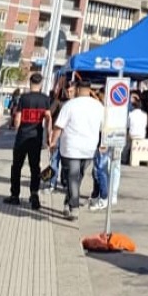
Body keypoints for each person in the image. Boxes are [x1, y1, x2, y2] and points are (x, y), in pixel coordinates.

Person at [49, 81, 105, 221]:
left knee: (73, 177)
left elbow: (59, 126)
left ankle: (73, 206)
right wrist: (103, 143)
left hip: (71, 147)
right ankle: (68, 203)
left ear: (78, 89)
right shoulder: (98, 106)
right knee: (77, 176)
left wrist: (53, 142)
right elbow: (105, 127)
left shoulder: (70, 105)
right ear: (89, 89)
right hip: (89, 148)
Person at [4, 72, 51, 209]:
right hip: (36, 138)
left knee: (16, 167)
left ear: (30, 83)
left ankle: (14, 196)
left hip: (22, 137)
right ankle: (34, 194)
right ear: (41, 84)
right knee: (35, 168)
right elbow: (48, 117)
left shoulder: (24, 98)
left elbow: (18, 117)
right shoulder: (45, 99)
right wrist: (48, 134)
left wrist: (17, 130)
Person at [126, 98, 148, 165]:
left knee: (127, 142)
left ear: (133, 106)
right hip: (141, 134)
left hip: (132, 134)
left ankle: (125, 158)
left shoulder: (130, 114)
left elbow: (127, 125)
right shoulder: (145, 115)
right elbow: (145, 125)